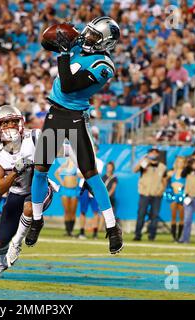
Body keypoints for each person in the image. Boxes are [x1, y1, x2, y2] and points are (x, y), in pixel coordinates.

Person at [28, 16, 123, 254]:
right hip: (55, 114)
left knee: (91, 174)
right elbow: (47, 43)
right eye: (88, 32)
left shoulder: (104, 65)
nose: (87, 37)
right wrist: (58, 35)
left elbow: (69, 85)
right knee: (40, 170)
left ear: (106, 43)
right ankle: (37, 219)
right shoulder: (80, 45)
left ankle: (112, 227)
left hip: (76, 118)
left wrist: (63, 53)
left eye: (94, 35)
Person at [0, 105, 57, 278]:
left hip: (39, 189)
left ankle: (16, 244)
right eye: (5, 122)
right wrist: (16, 170)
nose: (10, 126)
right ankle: (0, 264)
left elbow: (66, 149)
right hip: (16, 193)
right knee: (1, 241)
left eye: (14, 121)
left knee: (29, 208)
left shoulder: (34, 137)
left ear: (21, 123)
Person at [133, 147, 167, 241]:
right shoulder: (145, 164)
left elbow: (164, 180)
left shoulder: (162, 167)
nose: (154, 154)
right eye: (152, 152)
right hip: (145, 193)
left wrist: (162, 190)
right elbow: (135, 170)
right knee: (141, 214)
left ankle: (152, 236)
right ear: (149, 154)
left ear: (158, 155)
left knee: (154, 216)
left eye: (156, 153)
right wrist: (143, 162)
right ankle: (137, 235)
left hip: (156, 195)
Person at [77, 144, 105, 239]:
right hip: (84, 188)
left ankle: (95, 233)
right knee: (82, 211)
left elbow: (95, 175)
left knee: (95, 211)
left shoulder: (100, 162)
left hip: (93, 188)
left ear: (97, 151)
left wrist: (86, 173)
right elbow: (78, 174)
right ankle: (81, 232)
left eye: (95, 149)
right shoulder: (82, 160)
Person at [54, 148, 79, 237]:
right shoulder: (65, 164)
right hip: (65, 189)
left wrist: (77, 175)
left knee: (73, 211)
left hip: (74, 190)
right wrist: (61, 182)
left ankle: (71, 230)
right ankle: (68, 231)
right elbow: (56, 173)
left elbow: (82, 174)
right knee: (67, 211)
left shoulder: (77, 165)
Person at [165, 156, 186, 242]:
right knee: (173, 216)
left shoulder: (185, 174)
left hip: (182, 196)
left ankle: (180, 236)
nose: (180, 164)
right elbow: (164, 180)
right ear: (176, 163)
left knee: (181, 217)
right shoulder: (171, 173)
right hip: (173, 195)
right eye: (178, 162)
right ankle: (174, 237)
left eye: (182, 162)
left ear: (184, 164)